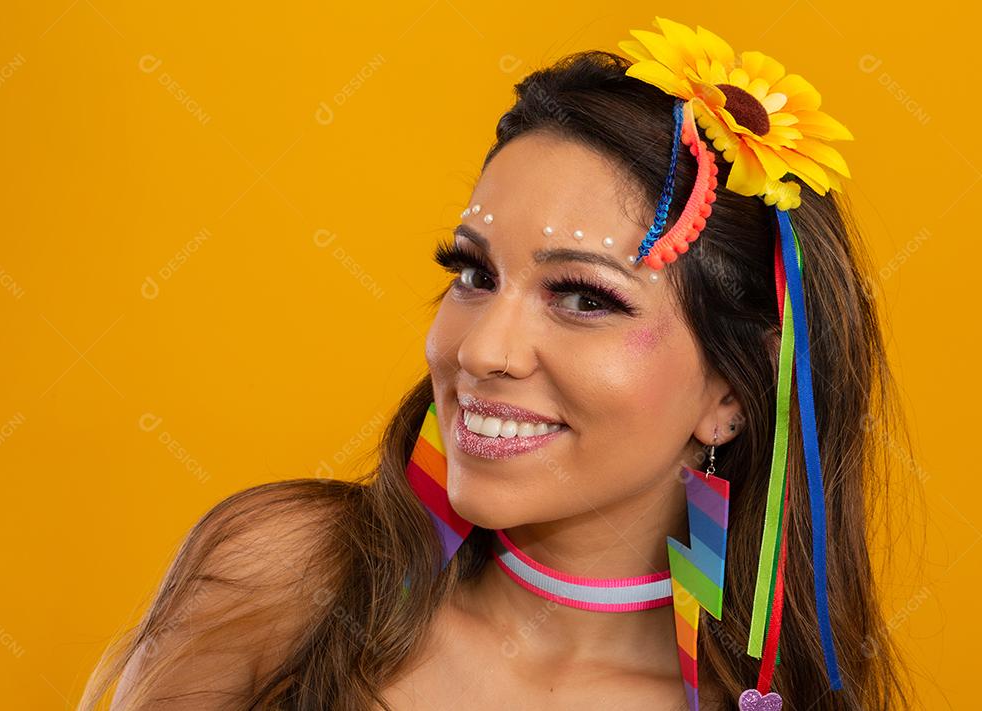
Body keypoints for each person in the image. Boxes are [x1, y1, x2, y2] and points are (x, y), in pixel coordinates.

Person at [80, 18, 913, 711]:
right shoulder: (283, 577)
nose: (479, 350)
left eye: (584, 297)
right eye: (475, 273)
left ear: (732, 391)